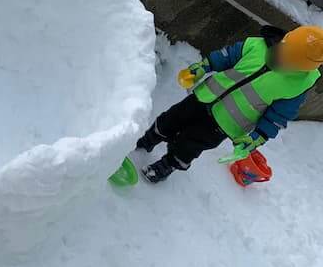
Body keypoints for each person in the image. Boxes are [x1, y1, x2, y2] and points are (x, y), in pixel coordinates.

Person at [136, 25, 323, 183]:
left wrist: (256, 138)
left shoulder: (298, 87)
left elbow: (277, 117)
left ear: (303, 68)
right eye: (284, 51)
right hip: (205, 97)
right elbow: (227, 56)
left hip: (226, 124)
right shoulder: (257, 46)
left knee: (190, 144)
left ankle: (168, 165)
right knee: (171, 119)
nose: (283, 59)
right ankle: (148, 140)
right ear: (284, 40)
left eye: (291, 61)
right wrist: (204, 66)